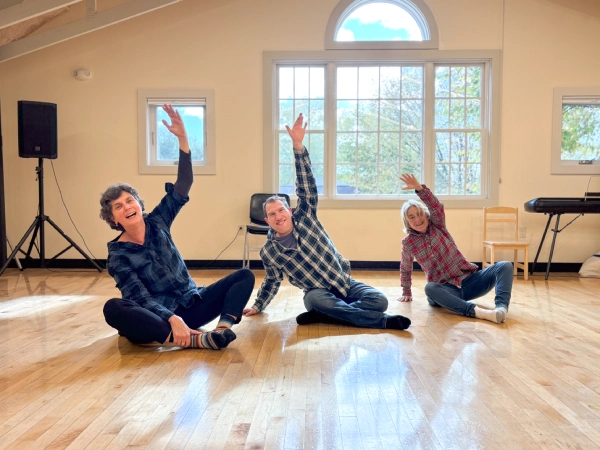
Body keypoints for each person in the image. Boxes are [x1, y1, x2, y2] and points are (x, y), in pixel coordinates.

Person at [100, 104, 255, 349]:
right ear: (113, 220)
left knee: (244, 275)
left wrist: (183, 139)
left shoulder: (158, 220)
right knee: (114, 308)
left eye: (130, 201)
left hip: (192, 304)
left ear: (139, 204)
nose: (127, 207)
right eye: (118, 206)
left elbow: (184, 183)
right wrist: (172, 318)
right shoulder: (118, 256)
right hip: (159, 318)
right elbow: (138, 297)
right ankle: (195, 340)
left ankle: (221, 330)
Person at [242, 113, 410, 331]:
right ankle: (381, 321)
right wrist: (258, 305)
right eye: (272, 214)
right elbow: (272, 280)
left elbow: (307, 187)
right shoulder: (269, 252)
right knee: (319, 301)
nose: (278, 216)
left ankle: (327, 315)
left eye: (281, 210)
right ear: (267, 220)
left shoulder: (306, 218)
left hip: (343, 282)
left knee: (380, 301)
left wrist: (298, 146)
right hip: (317, 293)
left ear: (290, 211)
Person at [398, 173, 512, 324]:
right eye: (411, 217)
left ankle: (501, 309)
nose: (417, 219)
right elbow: (405, 268)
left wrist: (419, 188)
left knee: (505, 265)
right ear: (407, 222)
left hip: (469, 282)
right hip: (444, 290)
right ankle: (478, 313)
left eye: (419, 214)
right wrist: (406, 291)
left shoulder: (438, 225)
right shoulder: (408, 243)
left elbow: (436, 206)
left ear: (426, 215)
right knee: (430, 288)